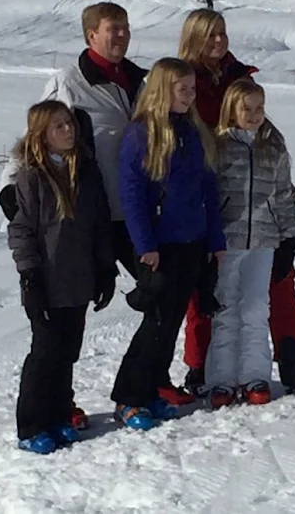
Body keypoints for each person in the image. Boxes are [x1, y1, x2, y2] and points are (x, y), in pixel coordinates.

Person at [178, 8, 295, 397]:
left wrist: (288, 231)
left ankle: (291, 353)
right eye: (210, 35)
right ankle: (202, 366)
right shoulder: (183, 82)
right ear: (193, 39)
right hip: (211, 208)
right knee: (208, 294)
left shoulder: (237, 76)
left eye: (222, 33)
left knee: (273, 285)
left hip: (260, 213)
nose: (218, 41)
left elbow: (265, 136)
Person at [0, 2, 148, 428]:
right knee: (58, 326)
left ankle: (141, 386)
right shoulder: (70, 81)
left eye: (125, 29)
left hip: (129, 212)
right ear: (90, 36)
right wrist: (12, 190)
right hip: (86, 217)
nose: (120, 36)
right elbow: (37, 132)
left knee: (163, 294)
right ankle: (56, 406)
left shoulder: (141, 81)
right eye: (111, 30)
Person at [111, 57, 225, 430]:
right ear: (162, 90)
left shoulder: (193, 131)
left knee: (172, 322)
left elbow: (209, 190)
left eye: (192, 89)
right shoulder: (141, 134)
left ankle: (152, 391)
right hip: (160, 246)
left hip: (193, 241)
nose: (190, 96)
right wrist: (145, 245)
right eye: (182, 89)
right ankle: (128, 397)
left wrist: (215, 239)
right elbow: (132, 197)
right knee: (155, 323)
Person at [8, 100, 118, 454]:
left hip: (79, 278)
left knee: (68, 351)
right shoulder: (31, 175)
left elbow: (99, 225)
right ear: (41, 135)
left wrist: (105, 268)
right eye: (59, 126)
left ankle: (58, 415)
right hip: (47, 280)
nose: (68, 130)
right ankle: (32, 425)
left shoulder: (86, 170)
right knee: (45, 352)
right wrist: (29, 276)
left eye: (69, 123)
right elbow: (22, 229)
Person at [206, 79, 295, 409]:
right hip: (226, 243)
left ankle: (255, 376)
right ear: (232, 108)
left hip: (263, 240)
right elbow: (207, 196)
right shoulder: (218, 146)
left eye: (260, 108)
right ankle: (221, 380)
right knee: (226, 309)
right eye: (247, 108)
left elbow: (285, 195)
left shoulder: (273, 147)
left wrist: (289, 238)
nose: (255, 114)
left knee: (257, 309)